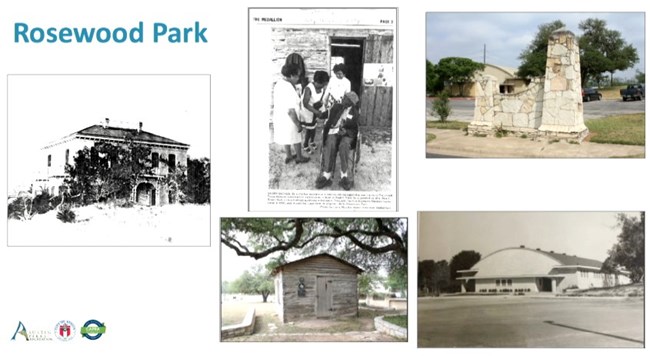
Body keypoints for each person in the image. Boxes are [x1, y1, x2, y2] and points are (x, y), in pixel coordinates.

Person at [315, 91, 359, 190]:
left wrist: (346, 132)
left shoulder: (355, 112)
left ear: (351, 103)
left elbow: (355, 129)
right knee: (330, 143)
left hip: (346, 134)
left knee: (344, 146)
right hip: (333, 131)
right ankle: (327, 175)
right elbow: (326, 114)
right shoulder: (337, 106)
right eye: (344, 97)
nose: (343, 99)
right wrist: (318, 112)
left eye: (346, 99)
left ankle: (344, 176)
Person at [272, 63, 310, 164]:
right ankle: (299, 157)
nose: (298, 78)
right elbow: (290, 110)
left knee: (286, 137)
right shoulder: (288, 88)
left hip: (280, 117)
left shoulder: (279, 83)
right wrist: (298, 124)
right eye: (297, 75)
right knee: (296, 137)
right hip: (290, 118)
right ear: (292, 75)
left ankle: (289, 155)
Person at [300, 71, 329, 154]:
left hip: (315, 110)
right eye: (322, 84)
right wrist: (316, 112)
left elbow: (319, 99)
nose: (323, 86)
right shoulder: (309, 89)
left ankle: (312, 141)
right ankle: (305, 144)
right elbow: (305, 104)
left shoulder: (322, 88)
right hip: (308, 111)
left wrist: (322, 109)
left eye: (324, 84)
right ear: (317, 82)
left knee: (314, 127)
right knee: (309, 129)